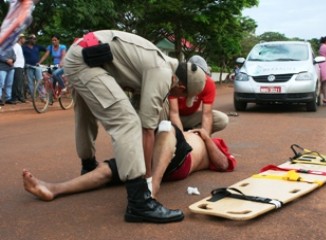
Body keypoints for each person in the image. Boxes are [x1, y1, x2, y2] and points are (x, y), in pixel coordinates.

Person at [62, 30, 206, 223]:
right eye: (183, 96)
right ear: (181, 87)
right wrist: (148, 181)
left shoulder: (159, 64)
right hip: (86, 60)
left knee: (86, 113)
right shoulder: (163, 73)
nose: (179, 99)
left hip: (82, 54)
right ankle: (140, 203)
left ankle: (88, 166)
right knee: (127, 122)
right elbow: (147, 129)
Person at [22, 122, 236, 202]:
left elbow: (224, 164)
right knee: (108, 170)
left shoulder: (212, 142)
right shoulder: (188, 132)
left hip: (180, 162)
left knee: (167, 127)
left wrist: (206, 136)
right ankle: (53, 189)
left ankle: (153, 185)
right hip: (154, 155)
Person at [168, 55, 229, 135]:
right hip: (169, 117)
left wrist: (205, 137)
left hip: (189, 117)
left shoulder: (208, 83)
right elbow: (174, 113)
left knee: (221, 119)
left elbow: (206, 114)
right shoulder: (177, 82)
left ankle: (195, 134)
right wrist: (182, 140)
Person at [22, 34, 46, 98]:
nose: (34, 40)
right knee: (30, 82)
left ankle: (42, 96)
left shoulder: (37, 46)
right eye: (32, 38)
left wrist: (41, 61)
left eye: (35, 39)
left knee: (39, 80)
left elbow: (47, 51)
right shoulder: (24, 47)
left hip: (37, 66)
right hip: (28, 66)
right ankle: (33, 96)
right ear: (29, 39)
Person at [11, 33, 27, 103]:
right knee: (16, 83)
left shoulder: (19, 46)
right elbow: (13, 56)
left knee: (19, 82)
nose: (24, 40)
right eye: (23, 38)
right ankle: (15, 98)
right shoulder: (16, 46)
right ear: (20, 39)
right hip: (16, 66)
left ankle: (19, 97)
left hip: (20, 67)